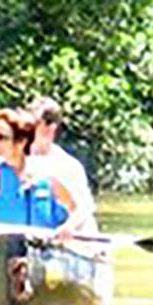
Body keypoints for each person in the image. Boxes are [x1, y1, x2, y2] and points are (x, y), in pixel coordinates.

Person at [26, 97, 98, 233]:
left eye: (34, 125)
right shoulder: (15, 160)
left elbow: (83, 211)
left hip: (63, 243)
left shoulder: (68, 167)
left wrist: (69, 228)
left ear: (51, 128)